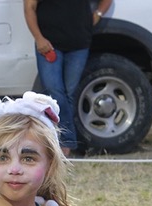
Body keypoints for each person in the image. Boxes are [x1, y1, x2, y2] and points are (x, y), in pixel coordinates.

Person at [23, 0, 114, 157]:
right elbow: (29, 8)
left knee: (69, 95)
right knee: (55, 92)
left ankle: (62, 145)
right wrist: (38, 38)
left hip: (79, 44)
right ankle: (69, 143)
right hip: (49, 44)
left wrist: (98, 14)